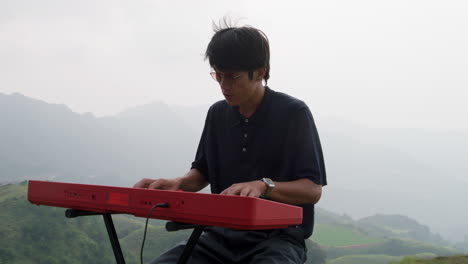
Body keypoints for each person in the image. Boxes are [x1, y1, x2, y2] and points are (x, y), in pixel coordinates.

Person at [134, 22, 327, 264]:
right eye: (218, 75)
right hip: (218, 235)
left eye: (233, 77)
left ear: (259, 72)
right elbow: (201, 173)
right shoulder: (217, 114)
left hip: (277, 239)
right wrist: (177, 183)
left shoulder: (293, 113)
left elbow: (312, 190)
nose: (224, 86)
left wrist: (263, 186)